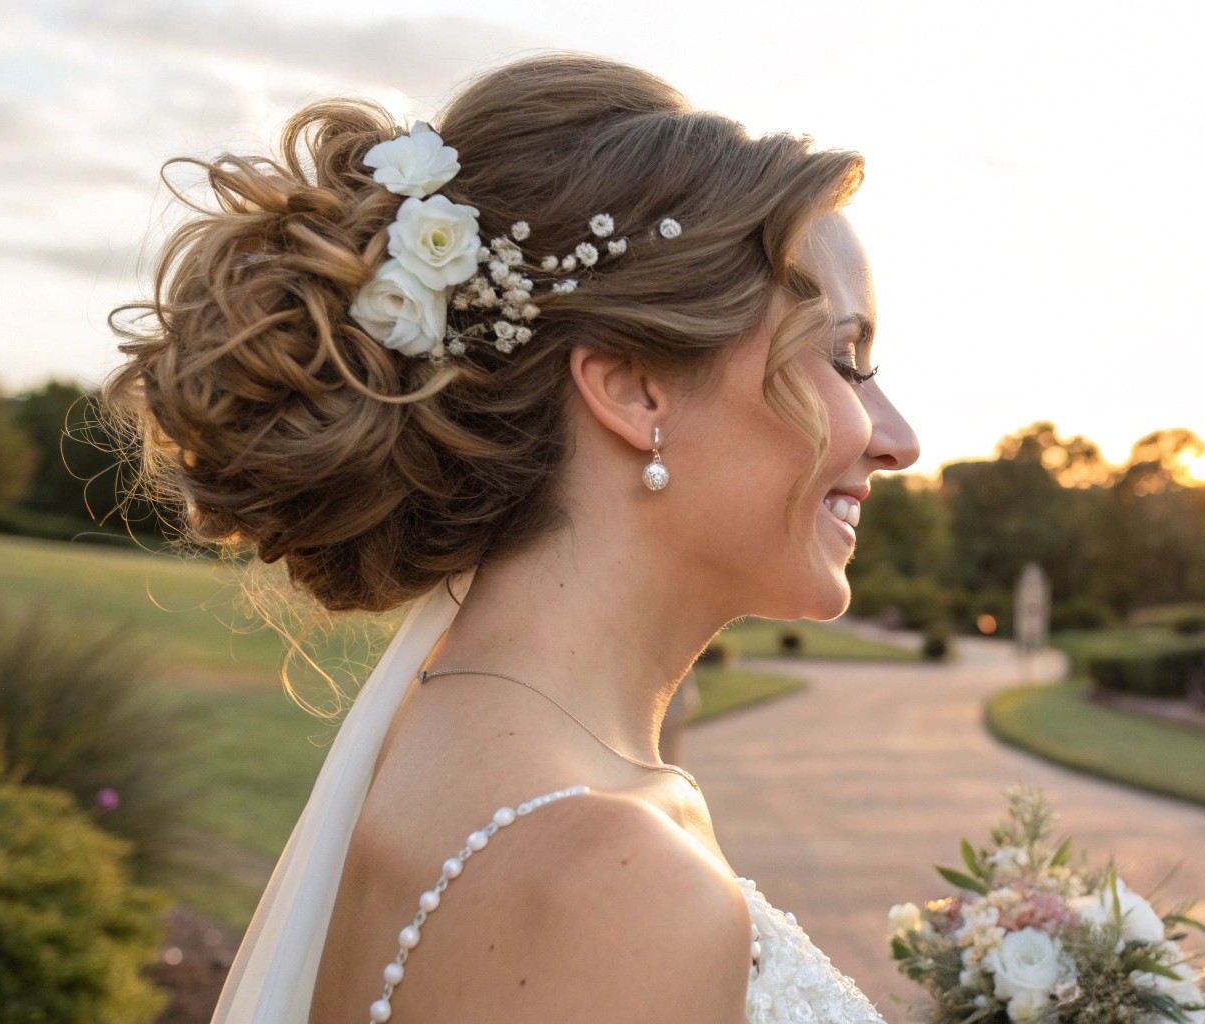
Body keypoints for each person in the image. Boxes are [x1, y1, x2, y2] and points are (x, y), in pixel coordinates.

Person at [104, 52, 919, 1023]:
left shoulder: (463, 750)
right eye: (842, 358)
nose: (899, 440)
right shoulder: (606, 878)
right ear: (632, 388)